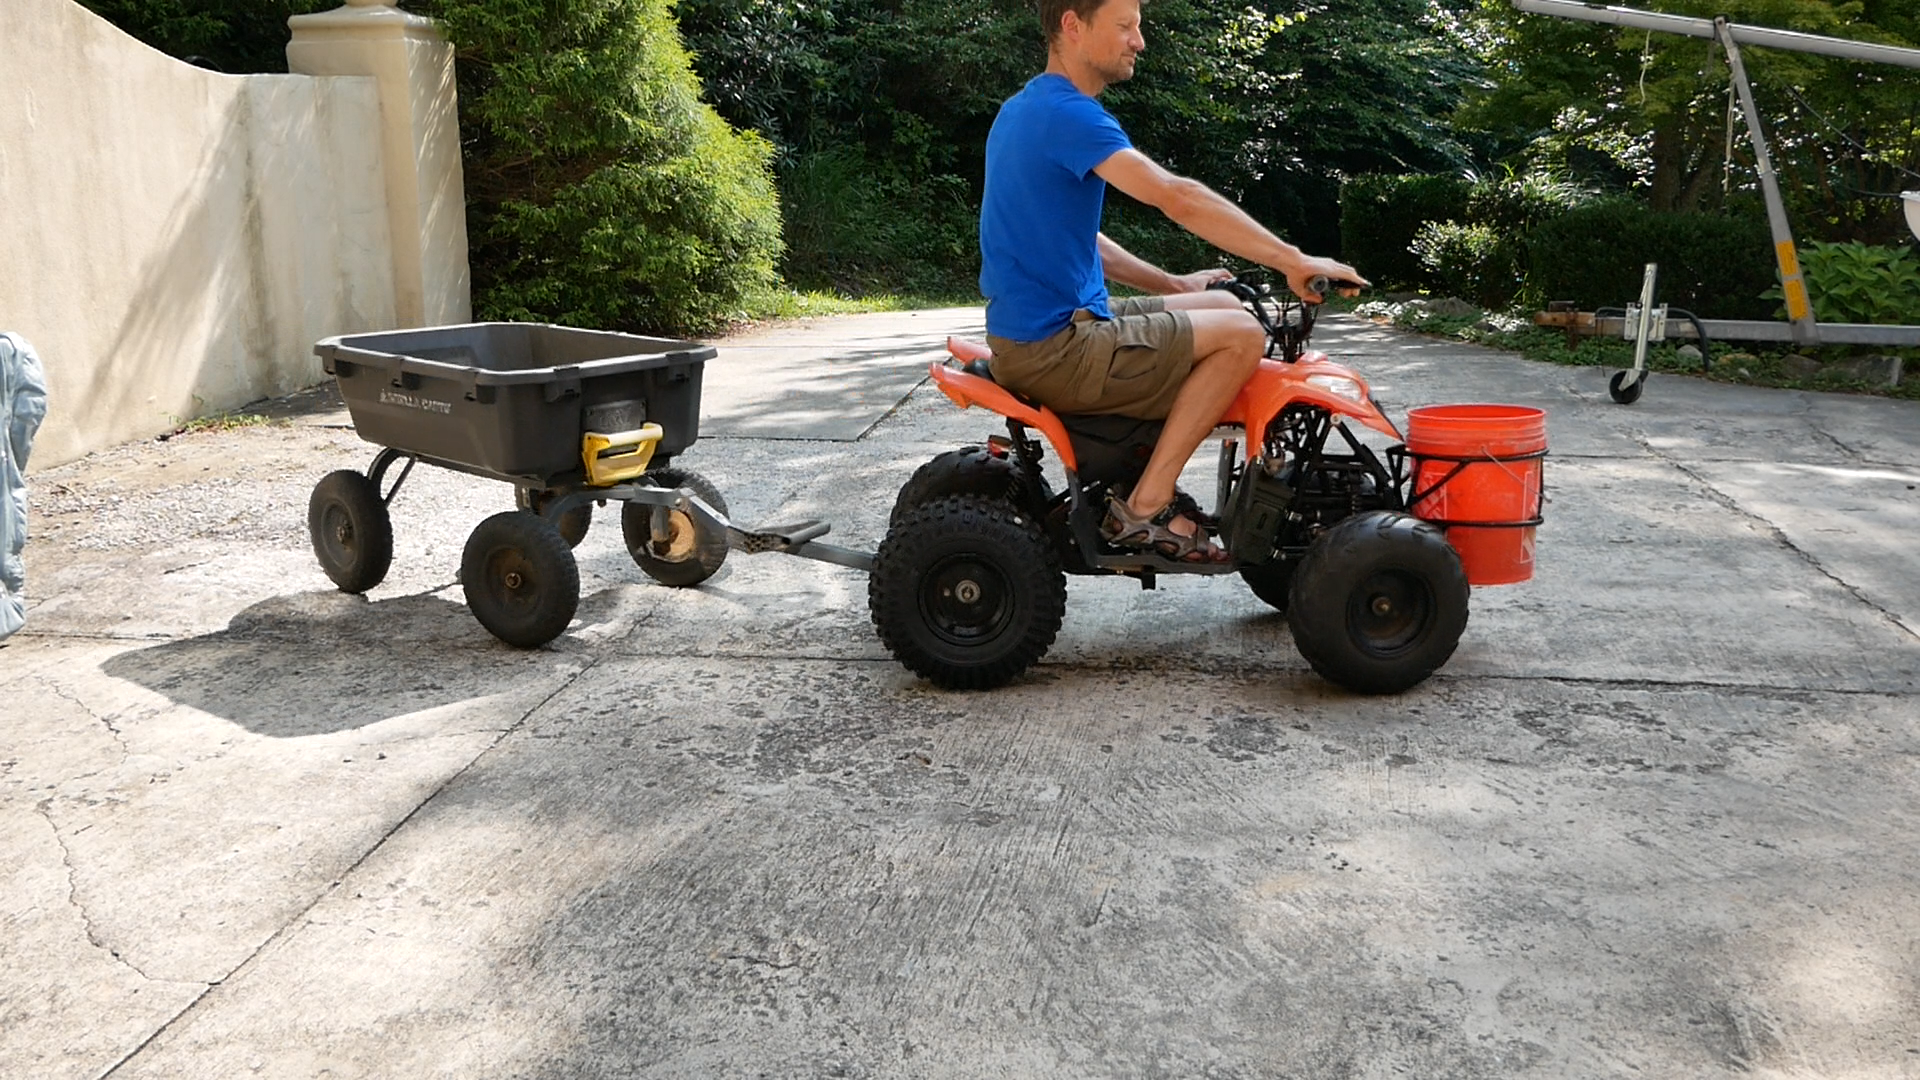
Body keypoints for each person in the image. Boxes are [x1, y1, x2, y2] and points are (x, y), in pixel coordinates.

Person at [975, 0, 1366, 562]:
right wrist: (1291, 258)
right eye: (1125, 26)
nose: (1139, 42)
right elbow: (1175, 196)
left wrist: (1177, 284)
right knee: (1244, 338)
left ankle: (1141, 480)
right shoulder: (1071, 116)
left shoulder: (1025, 108)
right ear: (1073, 26)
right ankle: (1144, 508)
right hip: (1057, 347)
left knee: (1229, 310)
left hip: (1051, 329)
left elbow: (1079, 239)